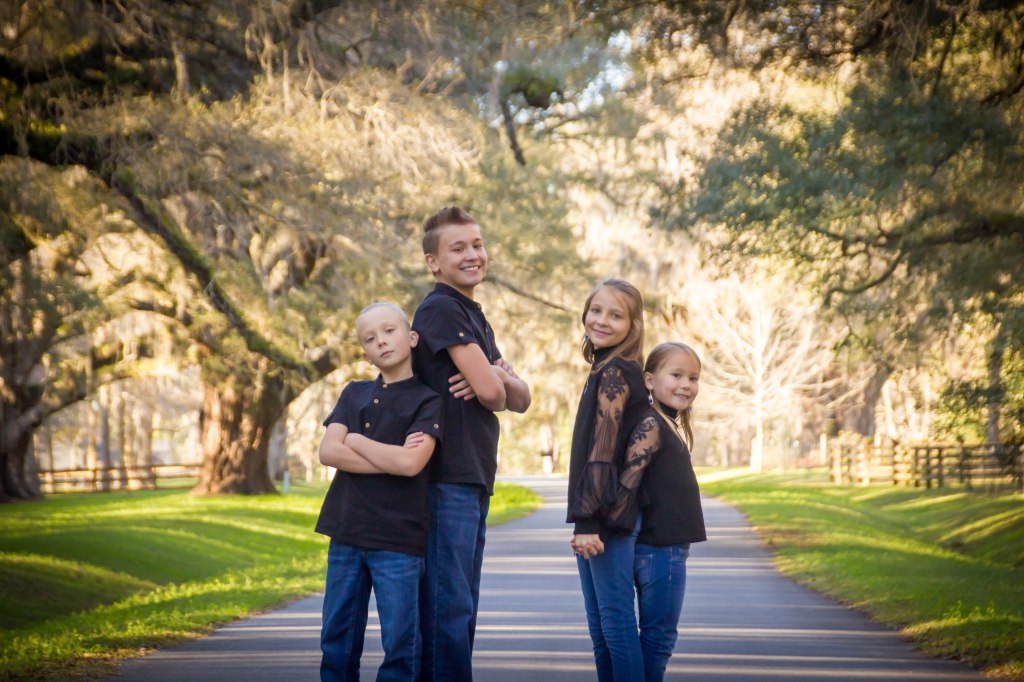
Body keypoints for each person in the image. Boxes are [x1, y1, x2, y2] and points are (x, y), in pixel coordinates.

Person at [411, 206, 532, 681]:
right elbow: (494, 393)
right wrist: (495, 380)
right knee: (449, 608)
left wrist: (496, 379)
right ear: (433, 262)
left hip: (472, 476)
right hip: (447, 476)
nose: (472, 255)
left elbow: (521, 398)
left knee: (460, 605)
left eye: (477, 245)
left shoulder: (471, 314)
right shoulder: (440, 308)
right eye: (457, 248)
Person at [316, 302, 443, 682]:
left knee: (401, 642)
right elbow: (328, 452)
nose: (381, 342)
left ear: (412, 337)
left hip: (398, 540)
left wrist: (355, 440)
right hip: (346, 531)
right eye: (370, 339)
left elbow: (411, 464)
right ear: (365, 355)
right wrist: (392, 458)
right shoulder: (353, 393)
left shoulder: (428, 400)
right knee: (337, 637)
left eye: (389, 331)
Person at [607, 342, 707, 682]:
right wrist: (605, 529)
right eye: (676, 375)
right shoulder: (652, 424)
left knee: (655, 638)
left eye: (693, 378)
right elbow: (628, 482)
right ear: (649, 380)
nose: (686, 385)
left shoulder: (666, 423)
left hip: (663, 550)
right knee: (658, 639)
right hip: (660, 551)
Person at [566, 278, 649, 682]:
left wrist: (587, 522)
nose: (601, 320)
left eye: (615, 315)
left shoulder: (615, 373)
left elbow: (602, 451)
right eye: (596, 310)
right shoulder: (602, 368)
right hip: (600, 515)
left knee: (614, 626)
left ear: (632, 326)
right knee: (601, 629)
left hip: (608, 517)